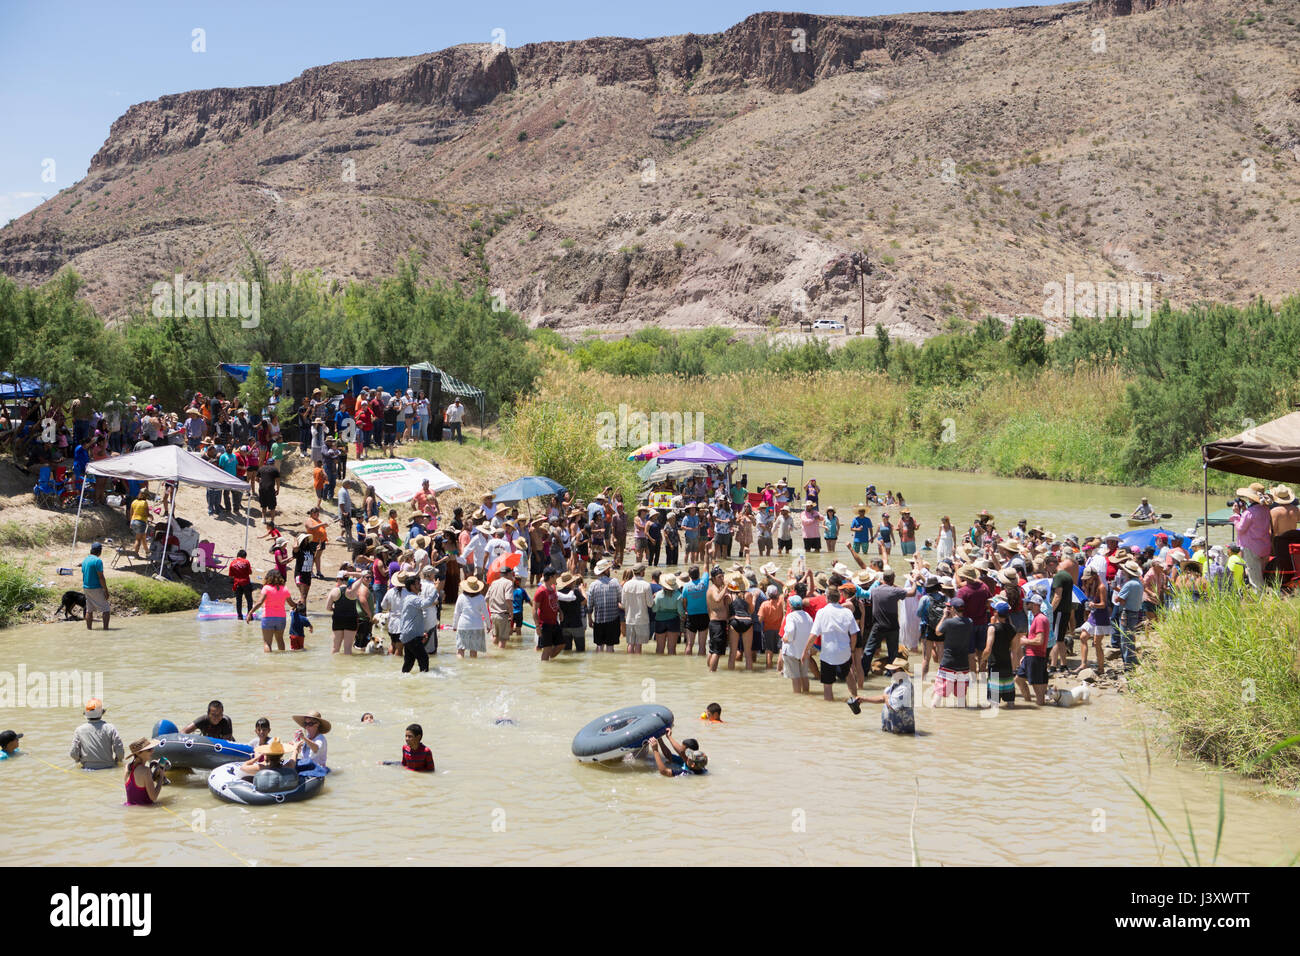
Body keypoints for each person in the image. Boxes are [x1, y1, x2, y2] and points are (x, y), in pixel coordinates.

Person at [809, 581, 860, 702]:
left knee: (827, 685)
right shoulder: (847, 612)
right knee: (849, 675)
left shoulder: (821, 612)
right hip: (844, 652)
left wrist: (805, 650)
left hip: (828, 654)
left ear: (827, 597)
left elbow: (813, 635)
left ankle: (829, 707)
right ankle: (856, 699)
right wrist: (852, 649)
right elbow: (854, 635)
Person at [849, 657, 915, 733]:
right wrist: (864, 699)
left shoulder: (905, 688)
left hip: (902, 732)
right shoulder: (897, 683)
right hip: (893, 729)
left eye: (894, 671)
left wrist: (885, 697)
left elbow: (891, 705)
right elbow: (882, 698)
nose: (891, 672)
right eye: (891, 670)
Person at [1229, 485, 1272, 591]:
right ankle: (1265, 598)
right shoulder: (1265, 509)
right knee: (1261, 575)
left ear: (1250, 497)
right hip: (1264, 546)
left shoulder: (1249, 513)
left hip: (1252, 548)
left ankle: (1259, 603)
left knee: (1254, 579)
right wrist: (1244, 510)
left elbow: (1240, 528)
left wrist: (1236, 515)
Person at [933, 597, 972, 708]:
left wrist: (945, 616)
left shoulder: (949, 623)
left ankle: (933, 715)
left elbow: (937, 632)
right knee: (961, 697)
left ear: (953, 609)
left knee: (939, 694)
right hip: (963, 664)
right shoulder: (970, 622)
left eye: (949, 607)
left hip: (948, 662)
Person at [245, 571, 297, 652]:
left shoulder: (266, 588)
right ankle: (281, 660)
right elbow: (292, 604)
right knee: (280, 640)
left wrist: (250, 612)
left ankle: (269, 662)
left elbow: (259, 602)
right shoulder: (285, 589)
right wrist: (297, 606)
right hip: (281, 618)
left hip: (268, 618)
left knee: (267, 643)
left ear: (268, 578)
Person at [397, 572, 438, 672]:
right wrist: (436, 588)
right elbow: (426, 603)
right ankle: (425, 681)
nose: (420, 585)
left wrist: (420, 633)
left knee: (409, 661)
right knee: (424, 658)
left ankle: (404, 679)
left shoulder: (408, 598)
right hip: (411, 635)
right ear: (412, 586)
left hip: (408, 635)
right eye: (418, 583)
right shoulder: (412, 598)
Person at [981, 601, 1019, 709]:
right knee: (1010, 702)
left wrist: (982, 660)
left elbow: (988, 649)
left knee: (994, 704)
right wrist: (1013, 668)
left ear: (996, 613)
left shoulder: (992, 628)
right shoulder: (1012, 629)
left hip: (995, 666)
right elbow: (1014, 650)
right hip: (1007, 666)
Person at [70, 698, 124, 769]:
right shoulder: (111, 728)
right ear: (102, 712)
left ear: (86, 714)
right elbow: (119, 750)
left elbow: (73, 753)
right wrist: (118, 761)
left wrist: (79, 761)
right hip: (109, 768)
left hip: (87, 769)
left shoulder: (79, 730)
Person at [1015, 593, 1049, 704]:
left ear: (1034, 604)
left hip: (1036, 657)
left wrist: (1025, 641)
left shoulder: (1039, 619)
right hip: (1032, 656)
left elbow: (1039, 640)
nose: (1026, 604)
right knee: (1019, 679)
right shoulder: (1038, 617)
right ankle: (1029, 704)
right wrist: (1025, 655)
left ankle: (1039, 709)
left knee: (1037, 689)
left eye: (1028, 602)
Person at [781, 593, 813, 693]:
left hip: (792, 651)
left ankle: (797, 698)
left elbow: (790, 630)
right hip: (804, 651)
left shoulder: (791, 616)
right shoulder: (807, 616)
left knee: (795, 677)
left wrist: (787, 639)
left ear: (790, 605)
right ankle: (806, 695)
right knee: (804, 676)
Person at [452, 576, 489, 658]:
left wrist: (454, 626)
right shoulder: (481, 598)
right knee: (473, 651)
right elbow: (486, 613)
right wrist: (489, 626)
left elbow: (456, 613)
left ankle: (460, 669)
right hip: (477, 626)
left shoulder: (461, 597)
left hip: (463, 626)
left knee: (460, 650)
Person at [124, 738, 165, 806]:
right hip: (145, 808)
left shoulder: (127, 767)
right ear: (139, 753)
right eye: (149, 750)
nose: (152, 751)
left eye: (152, 748)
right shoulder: (145, 771)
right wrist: (161, 776)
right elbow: (154, 797)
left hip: (130, 807)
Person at [534, 568, 564, 661]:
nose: (557, 578)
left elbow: (555, 602)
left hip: (554, 622)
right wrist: (537, 626)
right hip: (545, 624)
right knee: (546, 650)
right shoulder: (540, 591)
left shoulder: (553, 588)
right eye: (556, 576)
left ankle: (549, 661)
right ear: (551, 577)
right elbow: (534, 610)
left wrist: (560, 611)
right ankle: (545, 670)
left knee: (561, 644)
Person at [80, 542, 109, 631]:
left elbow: (84, 573)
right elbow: (101, 577)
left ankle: (89, 629)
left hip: (86, 587)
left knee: (89, 610)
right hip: (96, 588)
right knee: (106, 609)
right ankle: (106, 630)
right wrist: (105, 590)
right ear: (99, 551)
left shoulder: (85, 560)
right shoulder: (98, 561)